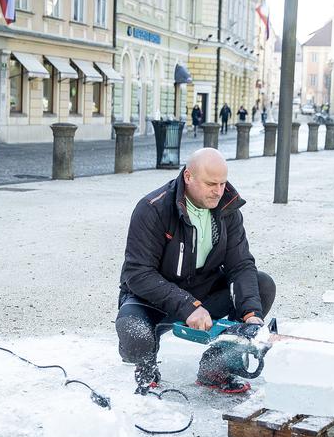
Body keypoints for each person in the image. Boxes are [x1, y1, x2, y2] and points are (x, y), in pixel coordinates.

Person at [115, 148, 276, 394]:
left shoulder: (227, 209)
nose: (219, 191)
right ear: (188, 177)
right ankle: (146, 370)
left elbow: (241, 265)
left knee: (262, 284)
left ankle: (215, 367)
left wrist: (251, 314)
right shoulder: (153, 209)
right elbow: (138, 274)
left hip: (203, 291)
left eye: (223, 183)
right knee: (135, 334)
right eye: (211, 183)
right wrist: (187, 306)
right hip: (151, 297)